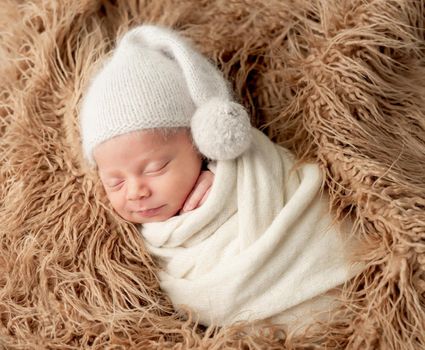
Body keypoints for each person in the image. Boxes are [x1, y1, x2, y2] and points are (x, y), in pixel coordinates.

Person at [80, 24, 359, 330]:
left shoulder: (246, 168)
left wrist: (224, 178)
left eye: (155, 168)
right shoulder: (127, 244)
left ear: (201, 143)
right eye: (115, 182)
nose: (135, 191)